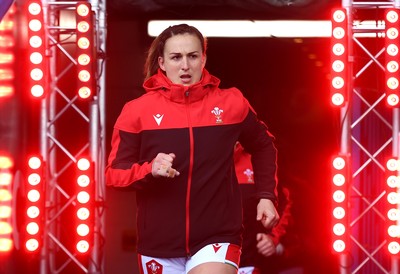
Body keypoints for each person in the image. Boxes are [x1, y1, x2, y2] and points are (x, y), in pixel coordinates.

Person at [105, 24, 279, 274]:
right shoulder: (136, 111)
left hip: (217, 235)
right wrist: (149, 170)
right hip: (158, 243)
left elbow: (264, 145)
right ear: (162, 62)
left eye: (192, 56)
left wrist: (266, 196)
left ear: (203, 58)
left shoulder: (231, 103)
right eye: (176, 57)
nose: (185, 65)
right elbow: (114, 175)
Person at [235, 143, 295, 274]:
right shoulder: (201, 164)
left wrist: (274, 237)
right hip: (206, 260)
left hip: (249, 263)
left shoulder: (259, 162)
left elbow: (286, 200)